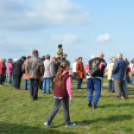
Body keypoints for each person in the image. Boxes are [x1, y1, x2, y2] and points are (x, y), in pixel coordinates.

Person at [44, 60, 75, 128]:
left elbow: (54, 82)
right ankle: (67, 123)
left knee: (54, 108)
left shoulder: (58, 74)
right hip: (63, 95)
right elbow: (68, 87)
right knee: (65, 109)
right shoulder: (67, 76)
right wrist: (71, 96)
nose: (69, 67)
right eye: (69, 65)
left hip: (56, 94)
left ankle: (47, 122)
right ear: (66, 67)